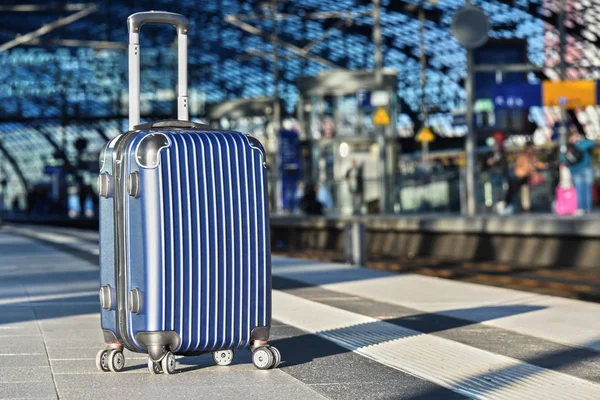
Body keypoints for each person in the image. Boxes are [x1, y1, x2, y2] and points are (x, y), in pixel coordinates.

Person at [505, 142, 547, 213]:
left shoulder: (533, 156)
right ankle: (508, 205)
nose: (532, 149)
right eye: (530, 148)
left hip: (526, 177)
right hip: (519, 177)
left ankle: (526, 207)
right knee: (513, 191)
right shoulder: (522, 156)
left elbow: (537, 164)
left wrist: (545, 165)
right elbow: (522, 166)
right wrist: (530, 168)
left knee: (525, 191)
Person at [562, 132, 596, 213]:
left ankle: (586, 208)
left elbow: (593, 143)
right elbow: (563, 159)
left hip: (582, 169)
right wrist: (581, 141)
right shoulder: (571, 146)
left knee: (585, 189)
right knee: (581, 189)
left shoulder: (568, 146)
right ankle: (583, 207)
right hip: (579, 170)